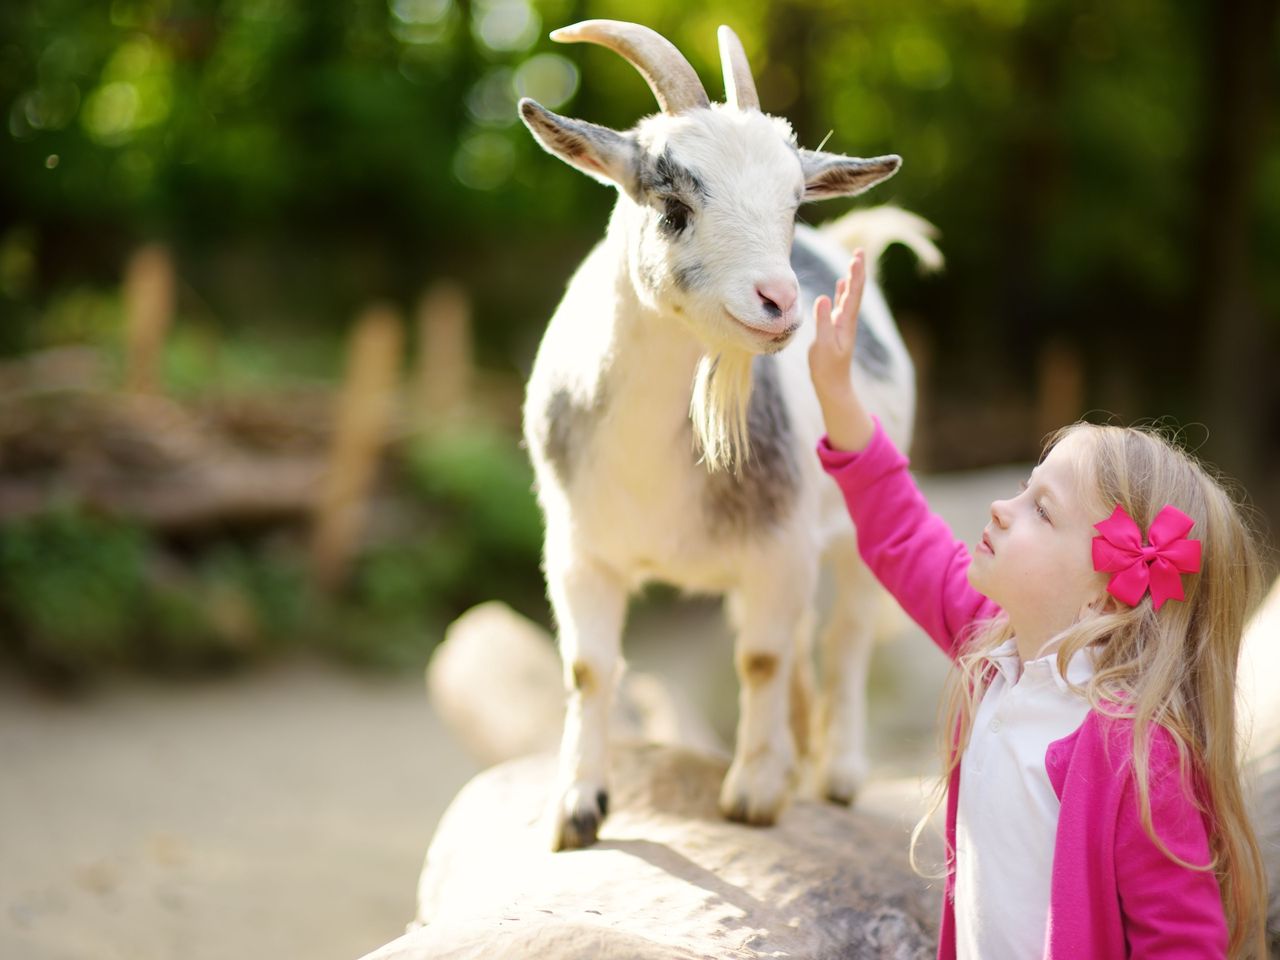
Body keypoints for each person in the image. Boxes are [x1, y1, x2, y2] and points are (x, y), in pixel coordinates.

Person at [807, 250, 1269, 959]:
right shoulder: (993, 647)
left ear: (1103, 586)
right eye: (1024, 488)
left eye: (1040, 511)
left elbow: (1183, 945)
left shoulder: (1142, 762)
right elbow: (902, 530)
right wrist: (838, 394)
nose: (1000, 508)